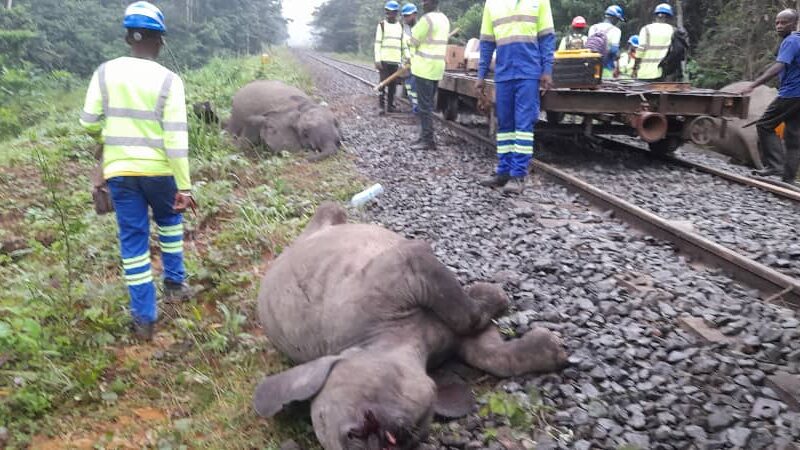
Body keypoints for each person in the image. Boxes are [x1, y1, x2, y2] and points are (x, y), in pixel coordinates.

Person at [79, 1, 195, 341]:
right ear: (159, 40)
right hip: (160, 171)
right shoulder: (169, 80)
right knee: (171, 222)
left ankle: (144, 319)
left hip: (120, 173)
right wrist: (184, 187)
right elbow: (176, 138)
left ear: (129, 37)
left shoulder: (104, 72)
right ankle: (174, 283)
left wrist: (105, 137)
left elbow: (87, 122)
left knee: (133, 243)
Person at [476, 0, 556, 194]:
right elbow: (487, 42)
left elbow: (547, 38)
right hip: (503, 73)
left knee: (523, 126)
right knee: (505, 125)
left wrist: (547, 70)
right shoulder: (492, 4)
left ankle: (518, 175)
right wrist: (481, 74)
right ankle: (503, 172)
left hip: (528, 73)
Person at [744, 9, 800, 184]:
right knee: (793, 136)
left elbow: (779, 66)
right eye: (777, 22)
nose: (779, 26)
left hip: (791, 94)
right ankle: (788, 178)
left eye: (784, 22)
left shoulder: (791, 41)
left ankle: (774, 165)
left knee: (764, 125)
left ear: (794, 23)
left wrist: (753, 85)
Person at [408, 0, 450, 150]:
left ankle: (427, 140)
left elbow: (413, 41)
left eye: (425, 1)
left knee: (424, 107)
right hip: (437, 68)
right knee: (428, 105)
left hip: (424, 68)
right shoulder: (444, 19)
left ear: (432, 3)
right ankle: (424, 136)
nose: (423, 4)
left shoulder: (426, 20)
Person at [374, 1, 404, 114]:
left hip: (395, 61)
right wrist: (377, 59)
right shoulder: (381, 25)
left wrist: (403, 60)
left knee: (393, 85)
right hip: (384, 60)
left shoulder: (400, 26)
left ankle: (390, 106)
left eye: (391, 12)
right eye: (387, 12)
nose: (388, 15)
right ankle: (381, 106)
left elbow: (403, 44)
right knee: (382, 84)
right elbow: (377, 43)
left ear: (396, 13)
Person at [633, 3, 675, 81]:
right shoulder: (672, 30)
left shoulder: (646, 29)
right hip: (662, 74)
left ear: (655, 16)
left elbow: (640, 51)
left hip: (644, 73)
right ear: (668, 18)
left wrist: (635, 67)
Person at [588, 5, 624, 79]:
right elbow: (614, 51)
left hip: (591, 67)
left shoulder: (593, 27)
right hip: (606, 67)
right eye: (618, 19)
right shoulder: (616, 31)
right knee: (605, 88)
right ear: (614, 18)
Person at [401, 3, 419, 113]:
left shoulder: (419, 27)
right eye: (405, 16)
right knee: (409, 88)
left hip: (417, 66)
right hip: (408, 66)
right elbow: (405, 45)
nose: (406, 18)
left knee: (415, 88)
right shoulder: (405, 29)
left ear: (415, 14)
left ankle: (417, 109)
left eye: (408, 15)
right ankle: (414, 106)